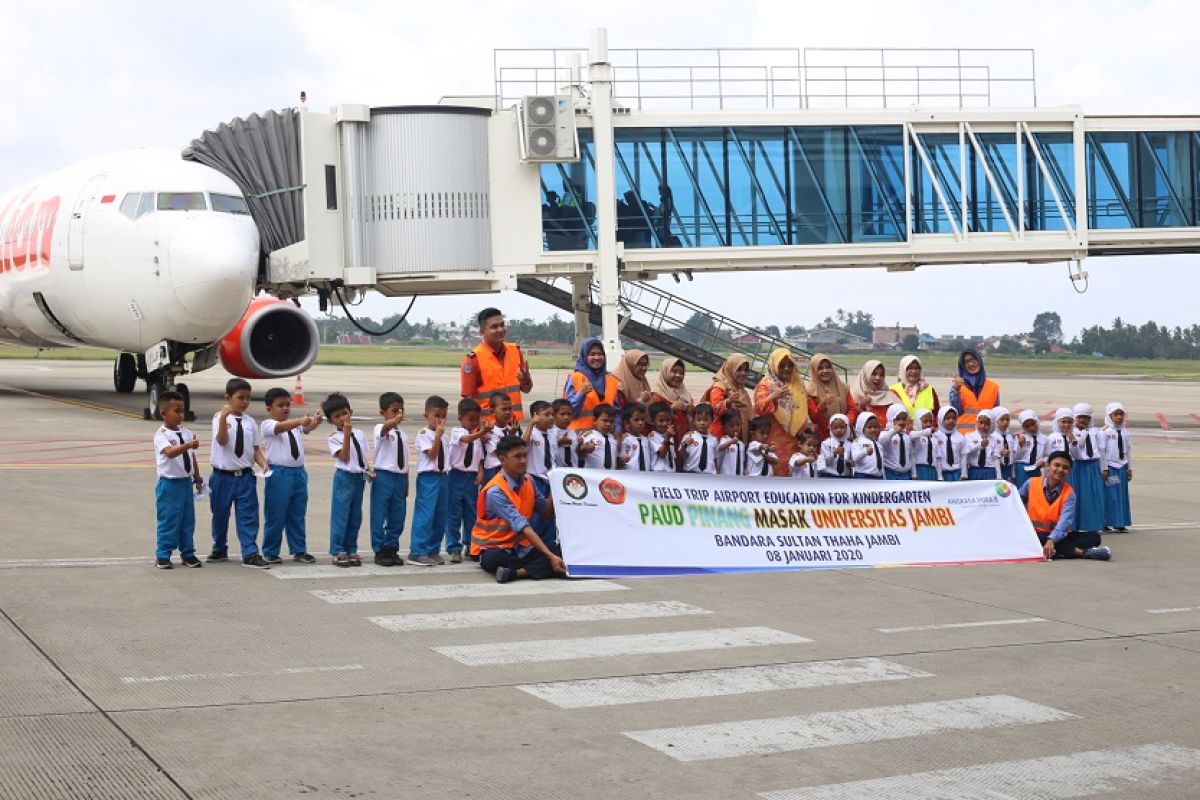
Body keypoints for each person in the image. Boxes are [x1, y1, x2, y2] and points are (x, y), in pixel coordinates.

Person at [469, 435, 567, 583]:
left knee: (559, 551)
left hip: (521, 546)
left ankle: (517, 573)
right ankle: (537, 568)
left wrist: (555, 486)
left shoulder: (529, 480)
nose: (523, 461)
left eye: (525, 456)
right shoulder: (495, 491)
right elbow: (522, 526)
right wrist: (550, 556)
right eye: (517, 457)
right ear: (502, 460)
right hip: (495, 547)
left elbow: (546, 514)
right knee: (493, 559)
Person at [208, 378, 270, 568]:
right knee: (220, 515)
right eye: (240, 397)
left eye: (248, 398)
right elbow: (222, 440)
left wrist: (263, 463)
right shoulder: (219, 418)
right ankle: (219, 548)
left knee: (249, 515)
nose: (245, 402)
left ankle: (250, 552)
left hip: (244, 477)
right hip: (222, 477)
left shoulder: (251, 422)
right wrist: (224, 419)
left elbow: (255, 449)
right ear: (228, 398)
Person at [261, 388, 322, 565]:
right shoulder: (269, 424)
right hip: (280, 473)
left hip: (298, 473)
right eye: (280, 405)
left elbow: (307, 428)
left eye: (287, 404)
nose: (285, 408)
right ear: (269, 408)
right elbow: (281, 427)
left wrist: (314, 422)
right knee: (276, 514)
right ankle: (270, 550)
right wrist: (299, 421)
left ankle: (299, 549)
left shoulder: (294, 426)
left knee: (297, 513)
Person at [1021, 451, 1111, 561]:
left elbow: (1065, 522)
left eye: (1065, 468)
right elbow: (1016, 503)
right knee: (1033, 538)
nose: (1060, 470)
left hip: (1057, 535)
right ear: (1048, 466)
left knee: (1094, 537)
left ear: (1069, 472)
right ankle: (1082, 552)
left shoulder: (1069, 493)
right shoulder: (1031, 483)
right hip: (1033, 533)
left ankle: (1052, 550)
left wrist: (1051, 540)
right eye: (1056, 465)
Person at [153, 390, 204, 569]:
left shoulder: (187, 433)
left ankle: (188, 553)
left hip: (185, 483)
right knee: (168, 519)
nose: (181, 415)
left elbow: (192, 458)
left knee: (187, 520)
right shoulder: (162, 435)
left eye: (182, 411)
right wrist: (188, 445)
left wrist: (197, 478)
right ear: (164, 413)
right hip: (169, 484)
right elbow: (170, 453)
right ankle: (163, 554)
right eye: (177, 411)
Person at [324, 393, 371, 568]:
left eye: (344, 413)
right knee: (341, 515)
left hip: (358, 477)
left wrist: (368, 469)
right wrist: (345, 435)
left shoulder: (359, 433)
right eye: (336, 417)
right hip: (344, 477)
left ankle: (351, 548)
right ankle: (337, 550)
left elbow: (362, 455)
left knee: (355, 515)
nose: (342, 418)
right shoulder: (334, 437)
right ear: (330, 421)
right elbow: (344, 457)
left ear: (351, 412)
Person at [461, 307, 533, 422]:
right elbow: (468, 401)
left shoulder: (515, 351)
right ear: (482, 330)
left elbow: (526, 389)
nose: (500, 329)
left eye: (502, 325)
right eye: (494, 327)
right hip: (489, 427)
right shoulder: (473, 359)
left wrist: (527, 382)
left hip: (513, 424)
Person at [446, 398, 491, 563]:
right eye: (470, 419)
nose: (473, 423)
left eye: (476, 419)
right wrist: (482, 432)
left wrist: (480, 472)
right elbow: (467, 439)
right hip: (456, 475)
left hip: (471, 478)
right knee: (453, 514)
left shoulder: (478, 436)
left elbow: (479, 458)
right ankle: (454, 548)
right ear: (460, 418)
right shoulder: (457, 432)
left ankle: (471, 546)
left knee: (471, 513)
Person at [753, 348, 809, 476]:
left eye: (790, 365)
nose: (786, 369)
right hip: (773, 439)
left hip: (794, 440)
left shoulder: (798, 384)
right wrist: (773, 396)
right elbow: (758, 408)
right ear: (774, 365)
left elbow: (806, 410)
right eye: (782, 365)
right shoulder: (765, 385)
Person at [409, 396, 449, 567]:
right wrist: (438, 437)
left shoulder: (444, 437)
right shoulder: (424, 434)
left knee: (440, 515)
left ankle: (433, 549)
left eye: (443, 416)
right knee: (425, 515)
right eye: (436, 415)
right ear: (427, 415)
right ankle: (417, 551)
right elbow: (432, 455)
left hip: (443, 476)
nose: (440, 420)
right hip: (429, 477)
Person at [369, 392, 407, 567]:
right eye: (394, 411)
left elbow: (405, 459)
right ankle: (379, 548)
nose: (399, 414)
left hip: (399, 477)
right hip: (384, 476)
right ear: (383, 412)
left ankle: (392, 546)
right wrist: (392, 423)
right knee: (379, 513)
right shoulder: (380, 428)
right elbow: (384, 430)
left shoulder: (403, 435)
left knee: (397, 514)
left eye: (401, 410)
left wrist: (406, 481)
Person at [522, 400, 560, 553]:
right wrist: (531, 425)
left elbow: (554, 456)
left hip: (550, 478)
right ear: (535, 416)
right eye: (546, 415)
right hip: (535, 478)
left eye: (552, 414)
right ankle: (533, 544)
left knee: (550, 513)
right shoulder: (532, 433)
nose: (551, 418)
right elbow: (522, 445)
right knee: (536, 513)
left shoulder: (553, 433)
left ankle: (548, 542)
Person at [563, 336, 620, 431]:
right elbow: (568, 411)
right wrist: (580, 395)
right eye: (592, 354)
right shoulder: (575, 378)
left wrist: (618, 430)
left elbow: (617, 412)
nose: (597, 358)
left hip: (605, 436)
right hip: (581, 436)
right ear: (585, 356)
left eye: (600, 354)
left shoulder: (611, 380)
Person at [1068, 402, 1105, 535]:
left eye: (1086, 417)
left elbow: (1101, 450)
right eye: (1079, 417)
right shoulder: (1072, 432)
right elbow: (1078, 446)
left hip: (1093, 465)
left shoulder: (1096, 432)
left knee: (1093, 495)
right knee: (1078, 496)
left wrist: (1103, 468)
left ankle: (1093, 524)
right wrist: (1082, 433)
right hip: (1079, 465)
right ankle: (1076, 524)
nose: (1083, 420)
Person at [805, 354, 858, 441]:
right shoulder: (810, 391)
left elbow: (853, 408)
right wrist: (822, 405)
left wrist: (844, 423)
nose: (825, 371)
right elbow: (813, 418)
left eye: (828, 367)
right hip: (822, 436)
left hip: (844, 433)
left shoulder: (843, 387)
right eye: (820, 368)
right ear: (814, 371)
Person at [950, 349, 1000, 434]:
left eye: (973, 360)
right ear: (963, 366)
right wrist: (956, 391)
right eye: (966, 362)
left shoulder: (993, 386)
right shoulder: (958, 386)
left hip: (986, 436)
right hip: (964, 437)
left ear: (979, 360)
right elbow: (955, 412)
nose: (971, 364)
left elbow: (997, 414)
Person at [703, 355, 752, 442]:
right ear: (730, 369)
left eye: (746, 370)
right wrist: (728, 401)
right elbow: (714, 410)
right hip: (721, 437)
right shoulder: (719, 387)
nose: (743, 373)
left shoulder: (741, 391)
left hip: (737, 437)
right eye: (739, 369)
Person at [1102, 402, 1132, 532]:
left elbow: (1128, 451)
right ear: (1110, 416)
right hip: (1112, 466)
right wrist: (1104, 468)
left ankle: (1120, 522)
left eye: (1121, 414)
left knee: (1122, 495)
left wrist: (1129, 468)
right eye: (1116, 414)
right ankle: (1107, 521)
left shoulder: (1125, 432)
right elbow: (1102, 451)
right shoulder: (1105, 432)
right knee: (1111, 495)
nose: (1119, 417)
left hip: (1122, 467)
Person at [481, 391, 520, 486]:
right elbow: (499, 451)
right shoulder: (489, 431)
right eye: (503, 409)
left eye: (510, 409)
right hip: (494, 469)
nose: (507, 412)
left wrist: (512, 435)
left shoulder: (513, 429)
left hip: (510, 469)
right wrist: (510, 437)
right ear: (492, 411)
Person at [652, 357, 693, 440]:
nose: (678, 375)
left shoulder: (685, 393)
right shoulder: (657, 393)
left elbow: (694, 412)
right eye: (674, 372)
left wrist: (685, 407)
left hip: (684, 439)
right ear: (665, 372)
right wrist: (672, 408)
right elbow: (653, 417)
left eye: (681, 373)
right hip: (663, 439)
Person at [890, 355, 940, 419]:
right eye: (910, 368)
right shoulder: (893, 391)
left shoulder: (929, 390)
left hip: (925, 428)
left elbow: (936, 414)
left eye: (917, 368)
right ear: (903, 370)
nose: (914, 371)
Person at [851, 360, 893, 428]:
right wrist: (861, 406)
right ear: (865, 375)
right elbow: (850, 422)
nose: (878, 378)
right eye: (874, 374)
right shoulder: (854, 394)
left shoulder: (889, 395)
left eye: (881, 375)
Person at [679, 403, 718, 474]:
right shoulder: (689, 436)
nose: (702, 423)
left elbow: (715, 459)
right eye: (699, 420)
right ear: (693, 421)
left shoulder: (714, 440)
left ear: (711, 420)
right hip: (691, 473)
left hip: (709, 475)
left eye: (706, 420)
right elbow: (682, 456)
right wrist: (685, 445)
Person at [1014, 409, 1048, 488]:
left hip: (1036, 467)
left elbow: (1048, 454)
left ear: (1037, 422)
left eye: (1033, 424)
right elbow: (1017, 457)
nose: (1031, 428)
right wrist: (1020, 445)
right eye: (1027, 426)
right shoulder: (1020, 437)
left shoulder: (1045, 438)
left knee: (1036, 489)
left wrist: (1044, 461)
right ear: (1023, 427)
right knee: (1022, 490)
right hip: (1022, 468)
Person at [878, 404, 913, 480]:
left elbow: (911, 456)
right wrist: (893, 431)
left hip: (906, 474)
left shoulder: (907, 436)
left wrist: (913, 474)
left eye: (904, 419)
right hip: (891, 473)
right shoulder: (886, 433)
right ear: (891, 419)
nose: (901, 422)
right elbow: (881, 443)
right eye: (897, 419)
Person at [578, 404, 620, 470]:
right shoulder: (588, 436)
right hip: (593, 476)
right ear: (595, 420)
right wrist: (585, 449)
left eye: (611, 421)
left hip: (611, 475)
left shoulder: (613, 439)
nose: (608, 424)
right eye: (605, 420)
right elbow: (578, 455)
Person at [963, 408, 1000, 481]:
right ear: (977, 422)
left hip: (989, 470)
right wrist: (980, 445)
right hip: (974, 470)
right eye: (981, 423)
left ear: (991, 425)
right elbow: (966, 453)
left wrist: (999, 476)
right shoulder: (969, 436)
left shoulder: (994, 439)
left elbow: (996, 458)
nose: (983, 426)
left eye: (987, 424)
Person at [850, 413, 884, 479]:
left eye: (875, 427)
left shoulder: (878, 445)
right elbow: (854, 458)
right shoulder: (858, 442)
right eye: (869, 427)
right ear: (861, 427)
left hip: (878, 476)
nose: (873, 430)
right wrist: (865, 452)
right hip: (863, 475)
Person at [619, 403, 652, 471]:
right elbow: (620, 459)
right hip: (630, 476)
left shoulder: (647, 440)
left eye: (643, 419)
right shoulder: (625, 439)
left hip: (646, 476)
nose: (640, 423)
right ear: (626, 423)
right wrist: (622, 460)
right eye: (636, 420)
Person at [647, 401, 678, 472]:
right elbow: (661, 454)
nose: (665, 423)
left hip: (671, 472)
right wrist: (667, 439)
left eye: (668, 420)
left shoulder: (670, 436)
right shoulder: (653, 436)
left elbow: (673, 457)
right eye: (660, 421)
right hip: (659, 472)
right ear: (652, 421)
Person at [935, 407, 964, 482]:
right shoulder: (936, 436)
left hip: (957, 473)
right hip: (942, 474)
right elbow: (937, 457)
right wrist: (939, 476)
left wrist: (964, 474)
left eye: (954, 418)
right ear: (941, 419)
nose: (951, 421)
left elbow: (963, 457)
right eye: (948, 418)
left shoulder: (960, 437)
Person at [821, 413, 853, 478]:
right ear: (830, 428)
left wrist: (850, 463)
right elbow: (824, 461)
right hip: (829, 475)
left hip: (845, 476)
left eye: (842, 427)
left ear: (847, 427)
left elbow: (853, 461)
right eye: (835, 428)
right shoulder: (826, 443)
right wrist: (834, 453)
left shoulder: (851, 445)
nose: (839, 430)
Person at [911, 408, 939, 482]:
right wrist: (928, 431)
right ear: (918, 421)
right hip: (920, 469)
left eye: (930, 421)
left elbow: (937, 457)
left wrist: (939, 475)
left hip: (933, 469)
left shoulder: (934, 438)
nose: (928, 424)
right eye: (925, 421)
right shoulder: (915, 435)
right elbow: (912, 436)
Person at [549, 399, 578, 468]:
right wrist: (558, 443)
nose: (566, 417)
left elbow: (576, 452)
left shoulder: (572, 432)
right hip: (558, 470)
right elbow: (545, 451)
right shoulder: (550, 432)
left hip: (573, 469)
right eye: (562, 414)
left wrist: (580, 445)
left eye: (569, 414)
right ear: (554, 415)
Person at [717, 410, 746, 477]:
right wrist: (731, 442)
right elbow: (719, 448)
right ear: (724, 428)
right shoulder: (724, 439)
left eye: (738, 425)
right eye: (731, 426)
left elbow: (742, 461)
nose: (736, 428)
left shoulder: (741, 444)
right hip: (726, 476)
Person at [992, 407, 1016, 483]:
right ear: (995, 421)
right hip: (997, 468)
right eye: (1002, 419)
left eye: (1007, 420)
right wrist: (1000, 453)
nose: (1005, 422)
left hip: (1008, 468)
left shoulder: (1010, 435)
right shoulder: (992, 436)